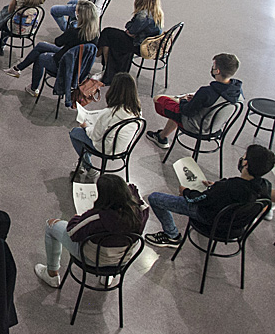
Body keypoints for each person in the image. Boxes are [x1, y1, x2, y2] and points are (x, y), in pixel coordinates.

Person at [145, 144, 275, 248]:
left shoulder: (228, 187)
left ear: (245, 164)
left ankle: (171, 235)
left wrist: (185, 192)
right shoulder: (266, 186)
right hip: (236, 229)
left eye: (244, 156)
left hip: (211, 219)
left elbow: (198, 199)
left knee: (155, 198)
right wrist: (216, 187)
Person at [35, 174, 149, 287]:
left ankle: (52, 274)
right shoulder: (141, 213)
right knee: (114, 240)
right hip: (120, 260)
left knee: (51, 226)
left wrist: (76, 218)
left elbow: (73, 233)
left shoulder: (98, 218)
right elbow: (135, 191)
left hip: (92, 259)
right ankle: (106, 277)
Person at [4, 0, 100, 97]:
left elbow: (58, 42)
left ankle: (33, 88)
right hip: (77, 63)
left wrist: (69, 29)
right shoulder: (95, 34)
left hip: (64, 63)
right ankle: (17, 69)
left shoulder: (74, 32)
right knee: (41, 46)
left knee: (40, 57)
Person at [146, 54, 243, 149]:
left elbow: (187, 111)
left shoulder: (206, 92)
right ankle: (162, 136)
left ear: (217, 71)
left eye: (213, 66)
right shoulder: (238, 93)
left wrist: (183, 100)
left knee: (159, 99)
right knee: (177, 106)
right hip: (215, 128)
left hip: (195, 126)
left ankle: (161, 137)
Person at [69, 73, 142, 182]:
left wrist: (85, 126)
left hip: (105, 148)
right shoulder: (137, 111)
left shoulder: (110, 113)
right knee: (88, 135)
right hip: (123, 147)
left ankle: (88, 167)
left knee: (75, 133)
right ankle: (84, 163)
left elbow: (94, 136)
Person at [98, 0, 163, 85]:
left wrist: (130, 28)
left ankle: (104, 64)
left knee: (107, 33)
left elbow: (130, 29)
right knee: (113, 35)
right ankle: (103, 58)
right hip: (149, 43)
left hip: (140, 45)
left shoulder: (143, 14)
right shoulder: (156, 11)